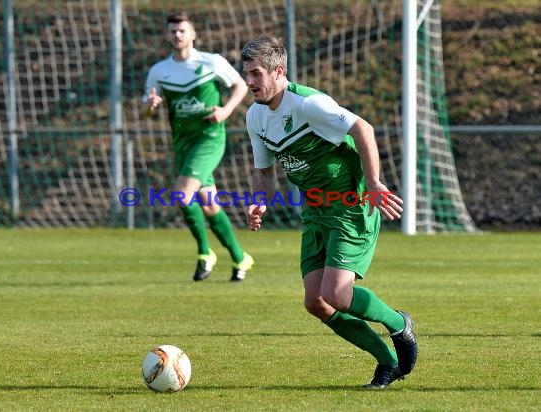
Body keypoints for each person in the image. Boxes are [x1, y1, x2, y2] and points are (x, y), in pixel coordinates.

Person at [240, 36, 417, 388]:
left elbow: (362, 128)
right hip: (316, 213)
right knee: (316, 302)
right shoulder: (255, 116)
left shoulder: (309, 104)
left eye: (256, 74)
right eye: (246, 74)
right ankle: (386, 362)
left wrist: (374, 181)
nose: (249, 82)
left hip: (352, 207)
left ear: (279, 71)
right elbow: (264, 172)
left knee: (337, 294)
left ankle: (399, 324)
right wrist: (260, 200)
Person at [143, 12, 253, 282]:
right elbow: (148, 111)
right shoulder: (159, 71)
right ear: (168, 35)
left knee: (182, 195)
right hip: (182, 143)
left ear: (193, 34)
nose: (177, 35)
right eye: (173, 31)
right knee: (209, 204)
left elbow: (241, 85)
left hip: (209, 137)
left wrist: (226, 111)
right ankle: (241, 258)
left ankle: (205, 253)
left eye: (182, 31)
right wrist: (150, 107)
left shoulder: (211, 62)